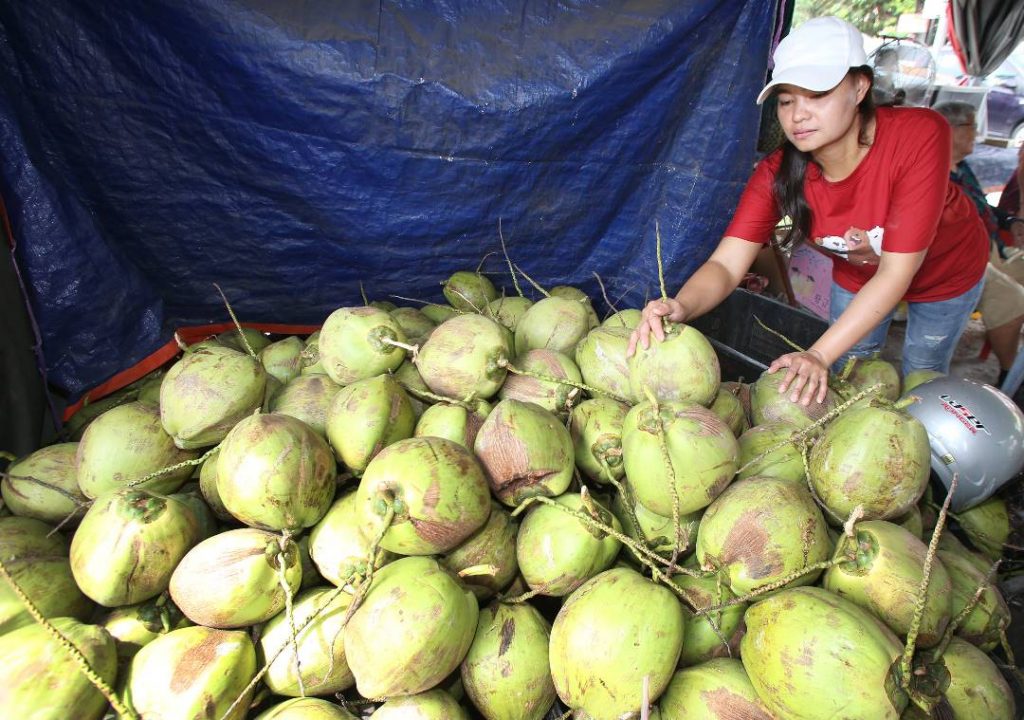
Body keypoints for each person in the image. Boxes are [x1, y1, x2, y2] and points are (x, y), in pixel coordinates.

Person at [628, 16, 989, 407]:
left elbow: (895, 272)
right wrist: (681, 305)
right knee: (847, 369)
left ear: (859, 87)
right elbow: (727, 265)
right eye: (786, 100)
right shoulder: (777, 173)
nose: (797, 115)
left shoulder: (920, 135)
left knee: (923, 369)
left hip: (946, 271)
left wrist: (817, 353)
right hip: (858, 275)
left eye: (816, 94)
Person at [933, 101, 1024, 385]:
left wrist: (1010, 222)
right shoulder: (934, 171)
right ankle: (1010, 375)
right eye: (971, 126)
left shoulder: (961, 167)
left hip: (990, 244)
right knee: (1013, 299)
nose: (977, 134)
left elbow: (982, 206)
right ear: (950, 130)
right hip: (960, 255)